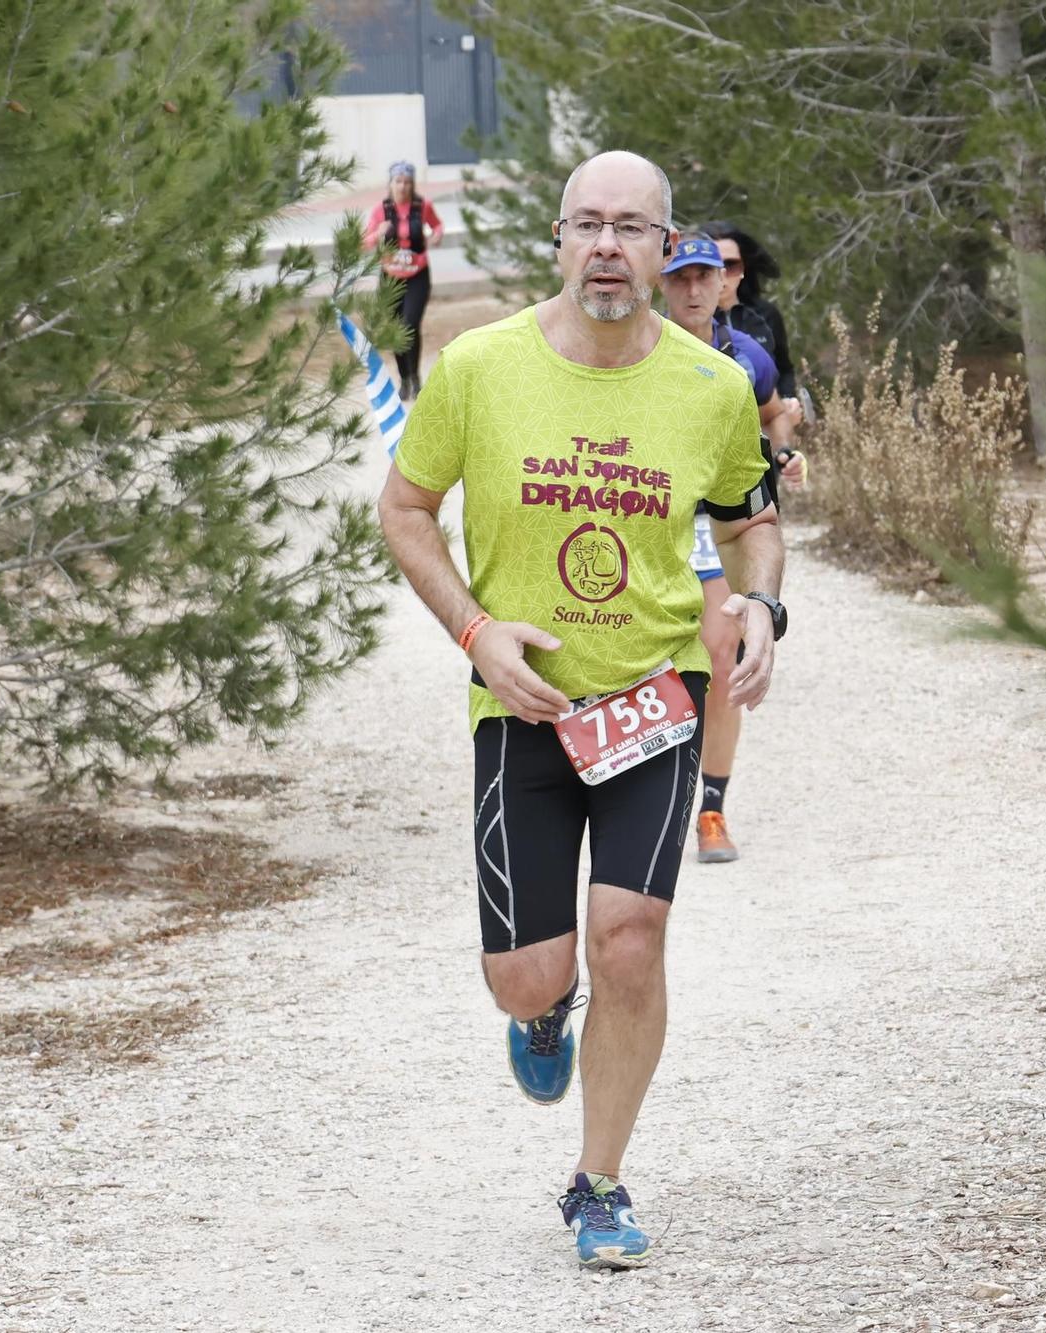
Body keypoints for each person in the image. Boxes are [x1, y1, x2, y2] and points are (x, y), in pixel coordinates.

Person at [376, 151, 789, 1270]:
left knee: (633, 938)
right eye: (587, 225)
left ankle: (597, 1181)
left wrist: (758, 605)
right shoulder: (476, 368)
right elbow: (405, 509)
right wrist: (475, 631)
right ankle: (540, 1010)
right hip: (523, 707)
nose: (608, 246)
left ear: (668, 252)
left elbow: (751, 520)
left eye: (633, 229)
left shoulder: (709, 388)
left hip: (656, 699)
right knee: (530, 970)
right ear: (557, 241)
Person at [658, 235, 806, 864]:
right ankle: (645, 796)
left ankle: (711, 810)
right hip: (651, 522)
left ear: (725, 283)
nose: (695, 290)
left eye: (706, 277)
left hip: (724, 527)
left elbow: (775, 413)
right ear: (662, 283)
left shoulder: (746, 356)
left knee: (722, 661)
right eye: (681, 278)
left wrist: (785, 454)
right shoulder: (636, 349)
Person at [703, 220, 803, 425]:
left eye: (731, 265)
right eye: (712, 266)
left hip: (766, 431)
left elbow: (784, 368)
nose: (722, 275)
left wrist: (789, 399)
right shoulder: (688, 320)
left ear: (743, 269)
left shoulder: (766, 314)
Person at [362, 160, 445, 400]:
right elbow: (365, 242)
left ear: (413, 184)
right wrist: (378, 233)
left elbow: (437, 226)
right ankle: (404, 378)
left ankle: (415, 375)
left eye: (408, 182)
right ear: (390, 184)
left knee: (410, 325)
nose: (403, 187)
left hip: (417, 275)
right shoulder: (380, 210)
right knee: (395, 330)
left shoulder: (422, 206)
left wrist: (436, 236)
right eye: (398, 181)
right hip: (390, 278)